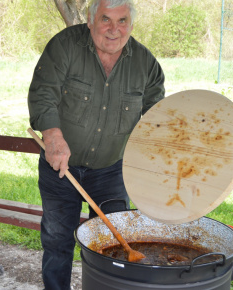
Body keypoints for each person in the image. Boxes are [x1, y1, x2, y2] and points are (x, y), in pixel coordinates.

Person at [28, 0, 165, 289]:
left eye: (122, 21)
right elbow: (43, 92)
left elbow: (157, 119)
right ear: (90, 21)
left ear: (131, 24)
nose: (114, 30)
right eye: (106, 19)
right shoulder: (65, 46)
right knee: (57, 241)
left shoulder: (146, 64)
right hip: (60, 169)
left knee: (114, 247)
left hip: (111, 172)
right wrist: (52, 137)